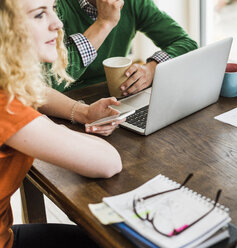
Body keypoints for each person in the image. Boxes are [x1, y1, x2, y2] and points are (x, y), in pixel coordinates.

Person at [0, 0, 124, 247]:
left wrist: (83, 112)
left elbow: (35, 90)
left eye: (53, 8)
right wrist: (46, 127)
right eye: (39, 15)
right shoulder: (8, 111)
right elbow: (109, 162)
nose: (57, 24)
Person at [53, 0, 198, 97]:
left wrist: (152, 69)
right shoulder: (52, 8)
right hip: (67, 102)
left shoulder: (133, 3)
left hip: (118, 95)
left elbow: (186, 43)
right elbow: (49, 83)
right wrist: (104, 23)